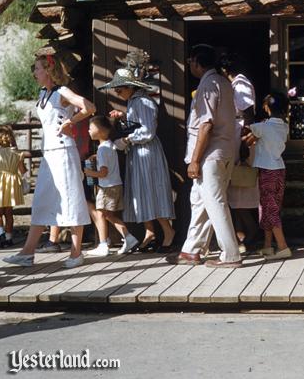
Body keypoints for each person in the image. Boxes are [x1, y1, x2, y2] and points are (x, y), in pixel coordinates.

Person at [4, 54, 94, 269]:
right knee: (41, 200)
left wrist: (70, 122)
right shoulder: (43, 93)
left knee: (71, 199)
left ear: (48, 70)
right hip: (49, 154)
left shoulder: (62, 91)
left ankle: (76, 252)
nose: (34, 73)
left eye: (37, 69)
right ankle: (27, 252)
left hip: (64, 152)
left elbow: (89, 107)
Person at [170, 44, 241, 268]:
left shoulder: (208, 85)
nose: (190, 65)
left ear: (197, 63)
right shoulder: (223, 83)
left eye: (191, 61)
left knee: (215, 202)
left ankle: (231, 254)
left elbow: (206, 125)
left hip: (211, 154)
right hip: (225, 150)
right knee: (200, 201)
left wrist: (195, 160)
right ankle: (191, 250)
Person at [100, 68, 176, 252]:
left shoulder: (142, 101)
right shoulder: (135, 102)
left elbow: (148, 131)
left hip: (146, 152)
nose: (118, 94)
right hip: (139, 152)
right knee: (142, 193)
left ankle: (167, 231)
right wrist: (124, 116)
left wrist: (126, 139)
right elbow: (139, 124)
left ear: (129, 87)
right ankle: (150, 232)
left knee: (151, 190)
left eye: (119, 90)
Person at [218, 53, 259, 252]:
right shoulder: (235, 86)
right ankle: (242, 235)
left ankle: (250, 232)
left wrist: (244, 142)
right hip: (234, 135)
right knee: (234, 192)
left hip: (241, 137)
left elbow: (248, 113)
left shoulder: (241, 84)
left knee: (241, 190)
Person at [82, 116, 140, 256]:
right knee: (107, 214)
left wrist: (88, 172)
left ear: (100, 131)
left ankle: (103, 244)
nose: (89, 131)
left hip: (107, 187)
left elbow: (103, 173)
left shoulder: (102, 149)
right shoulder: (109, 145)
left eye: (91, 128)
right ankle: (128, 237)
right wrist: (96, 156)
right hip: (115, 185)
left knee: (102, 214)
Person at [251, 92, 291, 259]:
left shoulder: (262, 127)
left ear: (267, 107)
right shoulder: (284, 126)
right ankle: (267, 245)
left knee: (269, 208)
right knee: (271, 206)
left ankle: (282, 247)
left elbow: (247, 133)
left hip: (267, 171)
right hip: (279, 169)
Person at [0, 126, 25, 248]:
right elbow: (23, 170)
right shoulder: (17, 153)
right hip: (11, 185)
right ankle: (9, 239)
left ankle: (0, 235)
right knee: (9, 213)